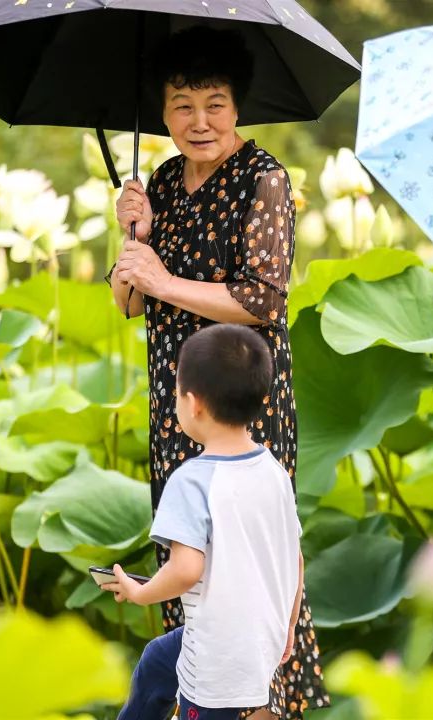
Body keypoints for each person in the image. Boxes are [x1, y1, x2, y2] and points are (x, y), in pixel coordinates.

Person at [106, 26, 325, 720]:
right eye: (181, 105)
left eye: (215, 103)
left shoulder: (264, 178)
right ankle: (201, 705)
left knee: (246, 572)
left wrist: (164, 279)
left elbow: (262, 301)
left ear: (237, 107)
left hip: (239, 397)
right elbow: (131, 303)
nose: (199, 122)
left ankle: (261, 709)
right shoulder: (165, 181)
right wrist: (131, 239)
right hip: (179, 399)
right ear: (162, 111)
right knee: (188, 555)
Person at [102, 324, 303, 720]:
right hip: (256, 639)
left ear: (192, 404)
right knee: (158, 660)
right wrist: (289, 624)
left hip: (216, 666)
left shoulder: (192, 480)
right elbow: (295, 559)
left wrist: (138, 592)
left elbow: (186, 570)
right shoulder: (273, 471)